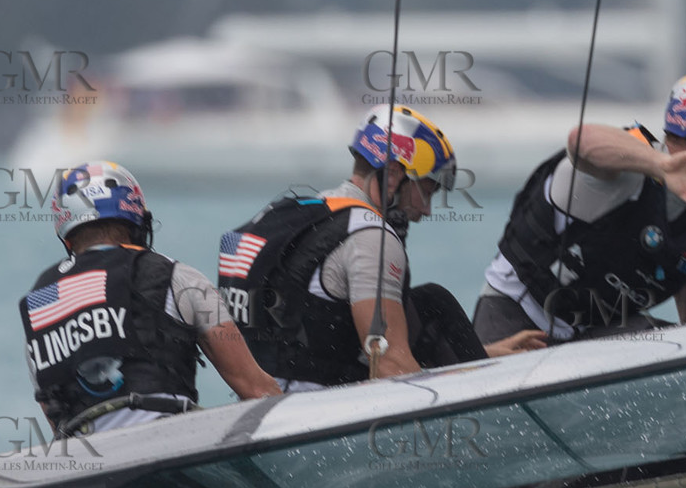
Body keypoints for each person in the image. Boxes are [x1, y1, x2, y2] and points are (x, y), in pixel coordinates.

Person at [219, 105, 543, 393]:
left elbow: (305, 326)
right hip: (318, 416)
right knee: (434, 303)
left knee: (422, 308)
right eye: (427, 190)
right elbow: (391, 366)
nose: (427, 210)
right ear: (393, 176)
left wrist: (484, 353)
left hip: (261, 404)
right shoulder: (371, 235)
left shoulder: (299, 212)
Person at [475, 73, 686, 343]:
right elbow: (580, 140)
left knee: (678, 343)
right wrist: (663, 167)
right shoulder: (625, 170)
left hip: (587, 339)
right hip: (513, 316)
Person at [20, 161, 279, 437]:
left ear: (67, 235)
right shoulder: (178, 276)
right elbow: (255, 389)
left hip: (87, 462)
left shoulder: (38, 305)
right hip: (169, 443)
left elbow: (54, 415)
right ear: (136, 221)